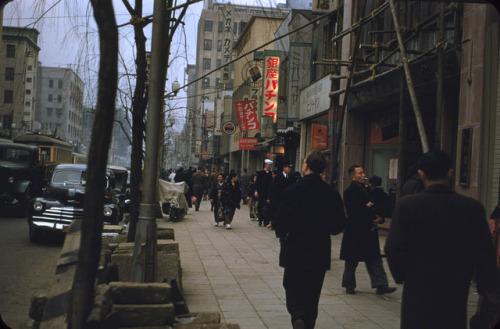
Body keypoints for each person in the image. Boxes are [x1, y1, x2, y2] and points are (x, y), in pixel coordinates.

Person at [385, 150, 499, 329]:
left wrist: (402, 275)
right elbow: (485, 253)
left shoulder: (407, 205)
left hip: (417, 286)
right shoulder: (471, 208)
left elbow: (393, 248)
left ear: (421, 173)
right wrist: (486, 288)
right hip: (455, 287)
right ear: (450, 172)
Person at [274, 150, 346, 329]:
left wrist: (287, 231)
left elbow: (280, 222)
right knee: (312, 293)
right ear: (323, 170)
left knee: (292, 286)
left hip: (295, 249)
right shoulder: (331, 193)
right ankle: (307, 321)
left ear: (305, 166)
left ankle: (298, 315)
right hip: (318, 250)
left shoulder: (292, 191)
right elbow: (338, 226)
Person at [340, 165, 396, 295]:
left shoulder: (368, 189)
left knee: (374, 258)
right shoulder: (350, 192)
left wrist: (379, 217)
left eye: (363, 172)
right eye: (360, 173)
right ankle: (349, 285)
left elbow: (376, 204)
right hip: (355, 229)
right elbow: (356, 210)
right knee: (352, 260)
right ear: (353, 176)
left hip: (368, 229)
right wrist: (372, 216)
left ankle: (381, 284)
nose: (363, 175)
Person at [268, 163, 295, 230]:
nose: (290, 169)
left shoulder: (292, 178)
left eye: (290, 168)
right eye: (288, 167)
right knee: (277, 212)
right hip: (278, 199)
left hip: (288, 199)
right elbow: (274, 189)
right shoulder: (278, 177)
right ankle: (275, 225)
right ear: (284, 168)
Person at [255, 159, 273, 227]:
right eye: (268, 165)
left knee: (267, 207)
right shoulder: (260, 173)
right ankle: (260, 220)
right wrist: (256, 191)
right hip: (261, 192)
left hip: (268, 193)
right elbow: (257, 183)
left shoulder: (271, 174)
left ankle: (266, 221)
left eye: (270, 165)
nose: (269, 166)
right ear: (265, 165)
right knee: (260, 206)